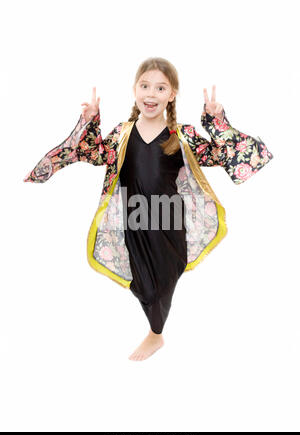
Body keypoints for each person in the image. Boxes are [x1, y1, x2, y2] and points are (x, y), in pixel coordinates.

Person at [24, 57, 274, 361]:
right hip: (135, 217)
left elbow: (224, 155)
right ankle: (156, 331)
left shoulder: (182, 136)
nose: (151, 94)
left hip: (169, 217)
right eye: (145, 86)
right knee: (142, 281)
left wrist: (216, 121)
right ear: (134, 90)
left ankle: (155, 334)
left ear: (171, 94)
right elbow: (91, 152)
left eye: (160, 88)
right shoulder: (122, 133)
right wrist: (90, 120)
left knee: (166, 277)